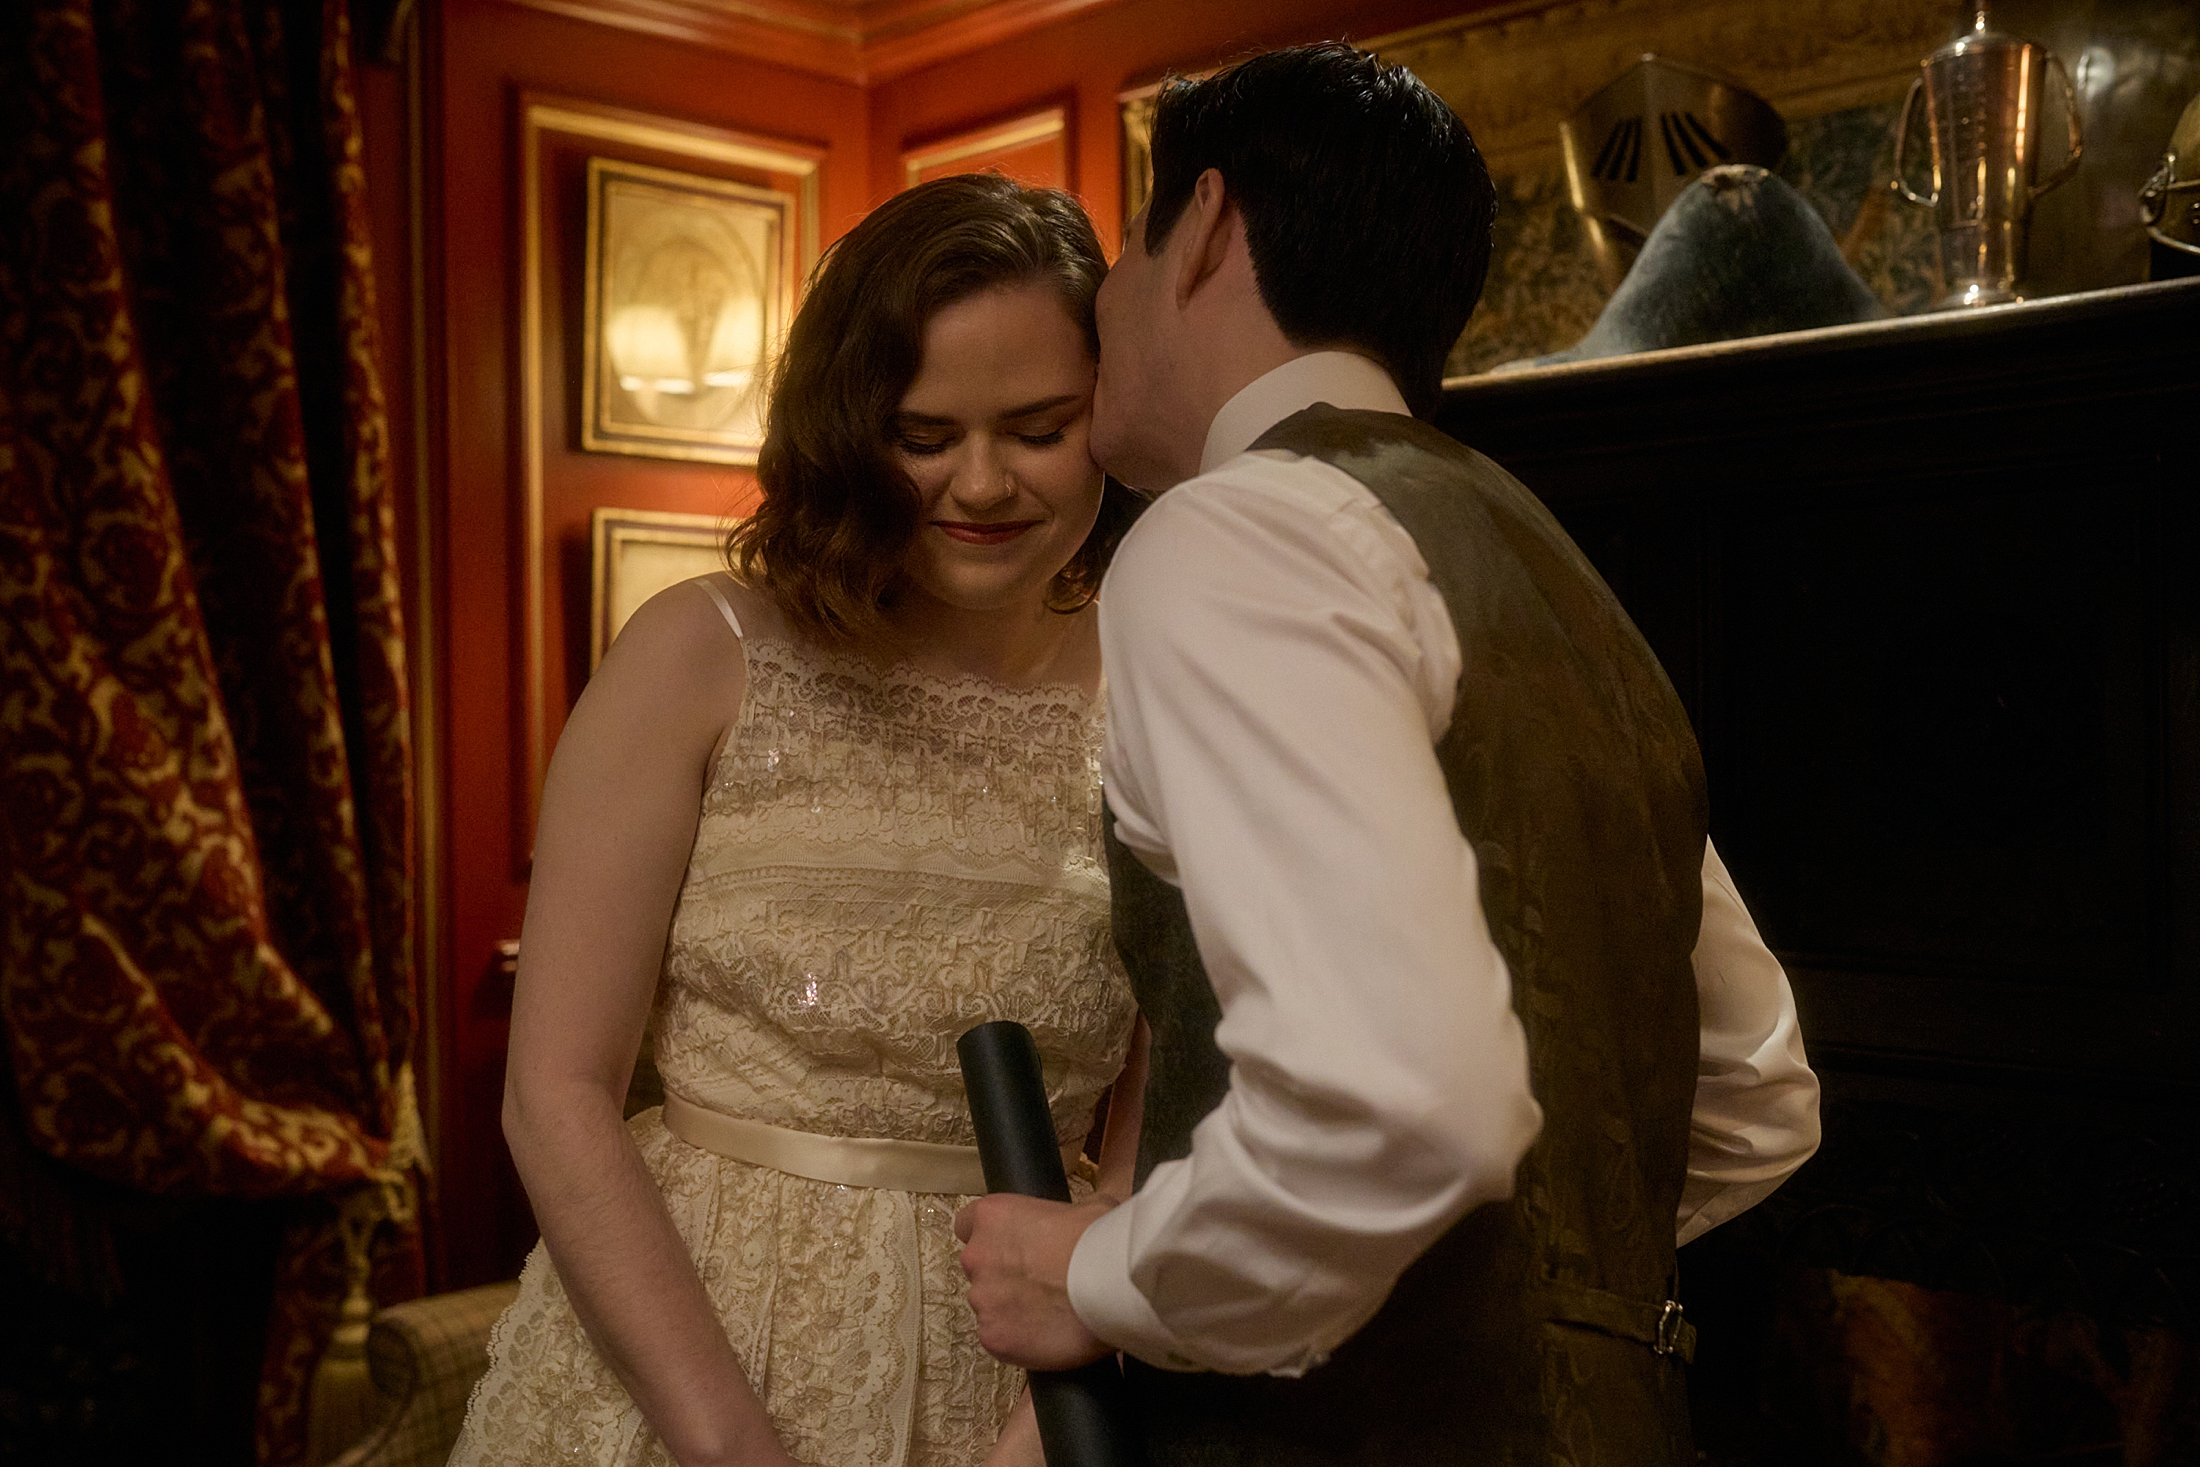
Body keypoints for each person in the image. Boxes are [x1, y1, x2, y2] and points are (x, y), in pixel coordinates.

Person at [954, 44, 1821, 1465]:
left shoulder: (1230, 535)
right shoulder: (1561, 585)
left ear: (1211, 229)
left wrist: (1103, 1278)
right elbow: (1752, 1100)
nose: (1102, 307)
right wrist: (1505, 1294)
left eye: (1126, 247)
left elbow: (1399, 1102)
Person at [450, 172, 1146, 1467]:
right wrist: (730, 1448)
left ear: (1107, 408)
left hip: (1024, 1381)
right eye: (925, 434)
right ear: (847, 428)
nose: (982, 482)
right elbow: (556, 1094)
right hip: (690, 1365)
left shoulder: (1166, 682)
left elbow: (1173, 1110)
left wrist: (1040, 1429)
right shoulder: (702, 652)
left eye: (1038, 427)